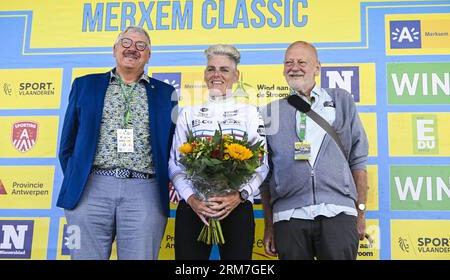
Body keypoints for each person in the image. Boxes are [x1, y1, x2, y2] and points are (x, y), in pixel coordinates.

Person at [57, 26, 177, 260]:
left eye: (141, 45)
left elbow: (171, 145)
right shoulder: (85, 85)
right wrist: (77, 176)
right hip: (90, 189)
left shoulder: (165, 93)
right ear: (114, 49)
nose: (133, 49)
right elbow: (67, 144)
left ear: (149, 55)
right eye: (126, 43)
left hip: (145, 190)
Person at [260, 40, 368, 260]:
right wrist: (269, 226)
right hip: (288, 216)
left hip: (338, 211)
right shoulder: (270, 112)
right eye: (288, 62)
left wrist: (361, 212)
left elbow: (358, 160)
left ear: (317, 67)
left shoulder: (341, 100)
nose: (294, 67)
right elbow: (265, 174)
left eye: (302, 61)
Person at [168, 44, 268, 260]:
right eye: (211, 69)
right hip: (195, 206)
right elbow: (175, 163)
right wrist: (192, 198)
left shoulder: (251, 113)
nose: (216, 75)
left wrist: (239, 195)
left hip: (236, 206)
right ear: (205, 74)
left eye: (224, 69)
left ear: (236, 75)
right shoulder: (188, 113)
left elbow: (262, 164)